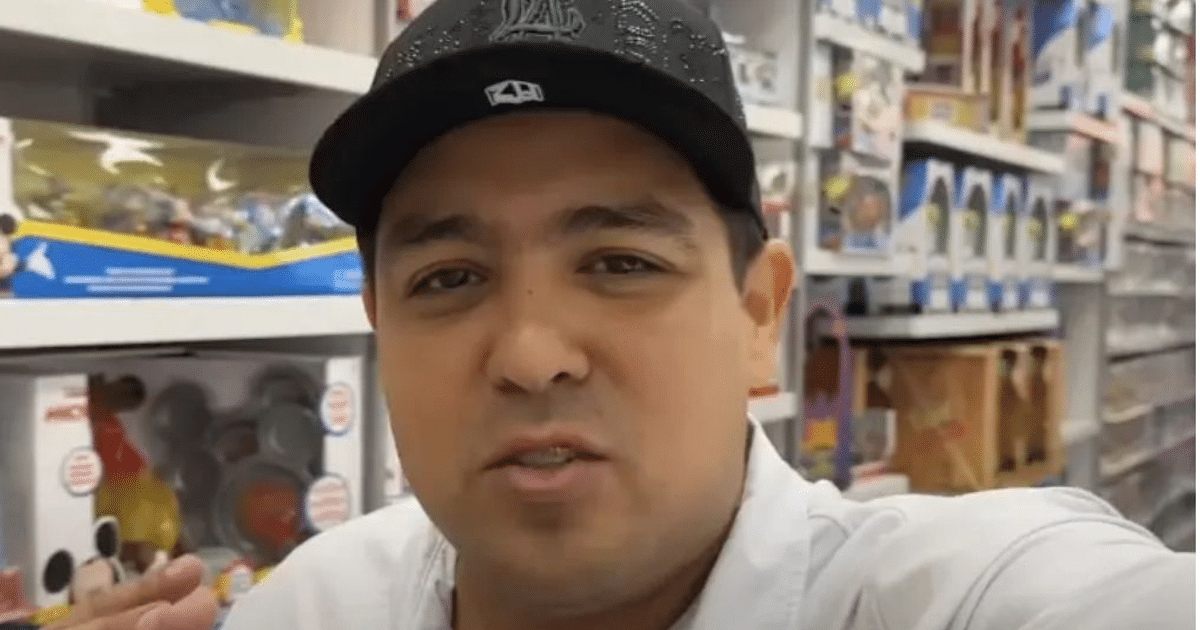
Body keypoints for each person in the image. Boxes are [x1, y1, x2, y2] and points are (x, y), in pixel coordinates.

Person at [35, 0, 1196, 629]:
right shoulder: (317, 604)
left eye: (621, 261)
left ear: (757, 311)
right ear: (378, 327)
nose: (533, 356)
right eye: (448, 280)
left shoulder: (959, 593)